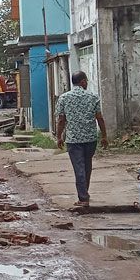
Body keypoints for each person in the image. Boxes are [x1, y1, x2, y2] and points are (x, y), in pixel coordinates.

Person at [55, 72, 108, 208]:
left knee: (79, 167)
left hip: (73, 140)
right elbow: (99, 118)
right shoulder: (93, 97)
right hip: (90, 139)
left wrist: (59, 136)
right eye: (86, 81)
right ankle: (85, 194)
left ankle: (83, 198)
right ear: (83, 81)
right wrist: (104, 136)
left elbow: (61, 120)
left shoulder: (64, 98)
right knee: (87, 166)